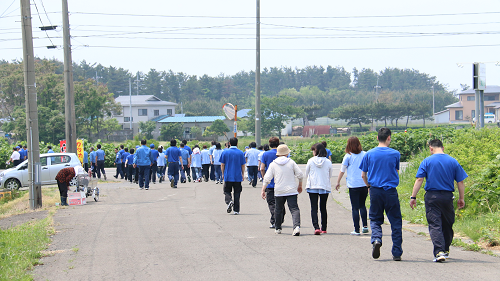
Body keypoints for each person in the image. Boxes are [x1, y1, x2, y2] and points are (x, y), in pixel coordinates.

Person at [410, 139, 467, 262]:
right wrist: (461, 198)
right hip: (447, 197)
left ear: (431, 148)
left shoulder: (427, 161)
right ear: (443, 147)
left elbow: (419, 179)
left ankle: (439, 251)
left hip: (432, 197)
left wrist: (413, 197)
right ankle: (445, 249)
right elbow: (460, 181)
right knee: (447, 223)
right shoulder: (453, 161)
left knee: (435, 224)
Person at [359, 127, 402, 261]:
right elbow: (396, 170)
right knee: (395, 221)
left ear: (377, 138)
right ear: (389, 137)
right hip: (390, 191)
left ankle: (377, 239)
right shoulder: (395, 154)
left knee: (376, 219)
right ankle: (396, 252)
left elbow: (363, 175)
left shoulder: (369, 154)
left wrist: (368, 186)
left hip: (375, 190)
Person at [262, 144, 303, 236]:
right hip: (291, 190)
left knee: (278, 209)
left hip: (279, 190)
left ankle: (278, 228)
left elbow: (267, 178)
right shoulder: (291, 162)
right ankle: (296, 227)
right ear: (287, 153)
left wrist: (263, 189)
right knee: (294, 209)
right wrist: (300, 185)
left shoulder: (273, 164)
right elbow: (300, 174)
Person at [336, 137, 369, 236]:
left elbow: (342, 170)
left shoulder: (348, 156)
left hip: (353, 185)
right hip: (364, 183)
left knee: (355, 207)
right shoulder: (365, 154)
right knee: (362, 205)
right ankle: (365, 226)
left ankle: (356, 229)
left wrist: (338, 182)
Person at [306, 143, 334, 235]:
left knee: (314, 207)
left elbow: (306, 173)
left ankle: (316, 227)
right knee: (323, 207)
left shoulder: (310, 161)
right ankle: (324, 227)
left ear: (316, 151)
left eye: (313, 150)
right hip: (324, 186)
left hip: (312, 186)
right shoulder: (328, 162)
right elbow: (330, 175)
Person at [260, 137, 285, 229]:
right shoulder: (283, 154)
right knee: (281, 202)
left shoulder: (265, 154)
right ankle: (279, 219)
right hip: (282, 182)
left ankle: (274, 220)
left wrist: (264, 178)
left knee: (271, 203)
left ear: (269, 145)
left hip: (270, 183)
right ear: (278, 145)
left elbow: (262, 168)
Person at [220, 137, 246, 215]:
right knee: (237, 192)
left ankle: (229, 201)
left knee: (227, 191)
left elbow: (222, 164)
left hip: (228, 175)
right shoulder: (240, 152)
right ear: (237, 143)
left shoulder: (225, 152)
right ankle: (236, 210)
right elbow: (243, 165)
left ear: (229, 143)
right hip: (237, 176)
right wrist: (243, 174)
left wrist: (223, 173)